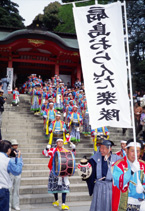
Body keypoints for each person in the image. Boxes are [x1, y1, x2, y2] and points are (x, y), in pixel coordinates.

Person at [84, 140, 121, 211]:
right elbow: (88, 171)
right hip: (98, 186)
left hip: (110, 187)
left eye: (103, 148)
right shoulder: (94, 158)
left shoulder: (117, 159)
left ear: (110, 149)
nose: (101, 150)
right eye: (100, 148)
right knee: (98, 205)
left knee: (109, 205)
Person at [42, 138, 76, 210]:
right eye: (59, 142)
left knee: (64, 187)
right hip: (54, 171)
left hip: (63, 171)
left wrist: (74, 149)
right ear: (56, 143)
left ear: (63, 143)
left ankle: (63, 203)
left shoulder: (66, 151)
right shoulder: (53, 150)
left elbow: (72, 155)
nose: (60, 143)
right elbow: (44, 153)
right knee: (55, 187)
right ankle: (56, 200)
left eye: (61, 142)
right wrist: (46, 148)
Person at [112, 139, 145, 211]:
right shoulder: (119, 165)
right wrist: (131, 171)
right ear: (126, 150)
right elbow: (119, 182)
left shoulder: (143, 165)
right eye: (132, 151)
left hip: (141, 204)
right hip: (125, 203)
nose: (135, 154)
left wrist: (143, 187)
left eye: (137, 151)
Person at [0, 140, 23, 211]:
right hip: (3, 189)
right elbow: (17, 171)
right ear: (9, 150)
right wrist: (18, 158)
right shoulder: (7, 160)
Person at [9, 139, 22, 211]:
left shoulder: (19, 153)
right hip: (10, 173)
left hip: (17, 173)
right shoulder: (8, 153)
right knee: (10, 189)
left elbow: (21, 162)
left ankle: (16, 205)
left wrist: (18, 157)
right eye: (14, 145)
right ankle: (9, 205)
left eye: (16, 145)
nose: (15, 146)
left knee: (16, 190)